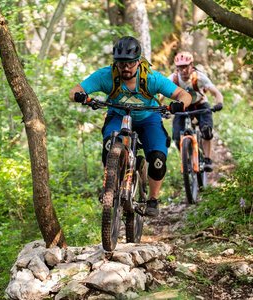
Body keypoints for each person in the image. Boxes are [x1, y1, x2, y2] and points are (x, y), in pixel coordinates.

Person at [68, 36, 192, 217]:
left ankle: (153, 199)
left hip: (148, 118)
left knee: (157, 159)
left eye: (130, 63)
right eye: (121, 64)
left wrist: (179, 104)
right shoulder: (106, 76)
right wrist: (80, 96)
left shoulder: (151, 78)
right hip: (118, 115)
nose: (125, 68)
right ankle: (109, 185)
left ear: (138, 61)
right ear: (115, 62)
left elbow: (183, 94)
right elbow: (75, 90)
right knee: (110, 143)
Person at [168, 51, 224, 172]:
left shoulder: (199, 77)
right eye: (180, 67)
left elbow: (216, 92)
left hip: (201, 105)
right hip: (182, 106)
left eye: (185, 67)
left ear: (191, 65)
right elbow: (160, 94)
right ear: (176, 68)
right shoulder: (173, 78)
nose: (183, 70)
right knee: (177, 136)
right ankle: (186, 159)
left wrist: (219, 103)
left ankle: (208, 159)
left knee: (206, 131)